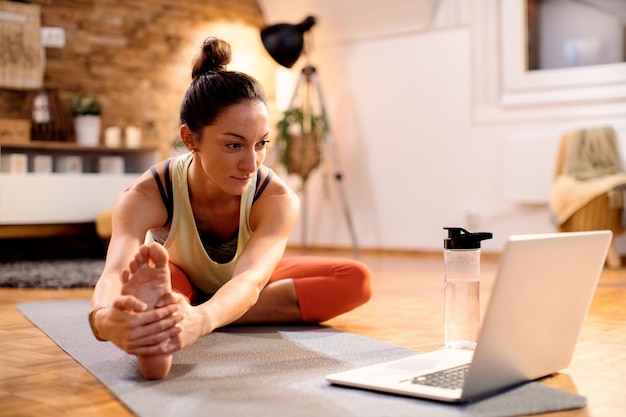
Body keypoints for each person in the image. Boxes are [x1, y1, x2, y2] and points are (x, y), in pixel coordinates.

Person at [89, 37, 372, 380]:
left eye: (261, 144)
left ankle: (176, 315)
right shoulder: (148, 193)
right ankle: (171, 310)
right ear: (191, 139)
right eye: (234, 144)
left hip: (242, 284)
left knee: (355, 280)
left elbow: (251, 280)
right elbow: (116, 270)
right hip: (177, 277)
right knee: (157, 274)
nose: (251, 163)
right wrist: (104, 318)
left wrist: (202, 321)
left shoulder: (276, 198)